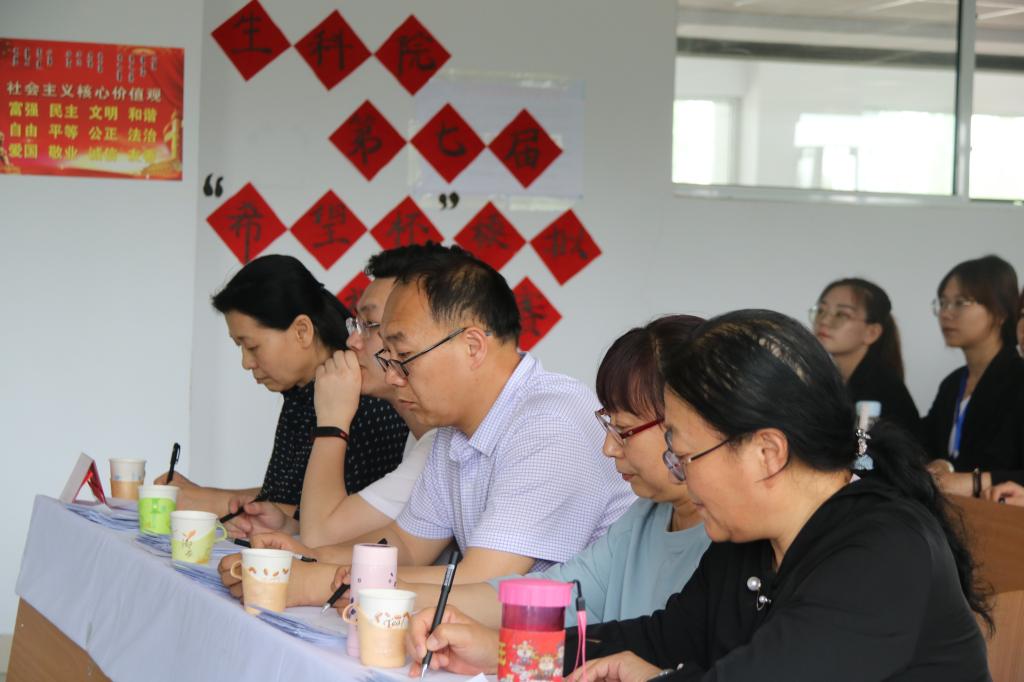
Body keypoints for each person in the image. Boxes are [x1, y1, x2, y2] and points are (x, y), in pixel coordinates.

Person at [407, 310, 991, 681]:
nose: (679, 476)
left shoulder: (883, 551)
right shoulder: (751, 541)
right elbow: (659, 637)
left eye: (684, 456)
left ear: (767, 452)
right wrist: (503, 649)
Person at [220, 245, 634, 602]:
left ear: (472, 346)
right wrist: (301, 556)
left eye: (403, 356)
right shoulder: (454, 432)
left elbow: (482, 582)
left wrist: (318, 582)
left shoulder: (549, 424)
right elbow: (406, 546)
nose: (394, 375)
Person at [358, 316, 711, 627]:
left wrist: (392, 591)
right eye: (609, 426)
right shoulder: (641, 519)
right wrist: (392, 592)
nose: (609, 448)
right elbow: (553, 596)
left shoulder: (726, 540)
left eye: (624, 430)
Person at [156, 255, 408, 519]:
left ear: (302, 331)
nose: (246, 363)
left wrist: (211, 501)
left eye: (252, 346)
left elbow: (342, 520)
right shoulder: (300, 394)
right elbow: (281, 495)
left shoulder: (366, 401)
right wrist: (201, 495)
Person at [224, 247, 441, 546]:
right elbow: (393, 549)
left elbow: (322, 536)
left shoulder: (427, 438)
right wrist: (290, 526)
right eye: (357, 324)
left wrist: (332, 422)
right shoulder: (425, 440)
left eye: (370, 325)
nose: (352, 341)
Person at [923, 255, 1024, 499]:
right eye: (943, 303)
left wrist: (972, 482)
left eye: (960, 303)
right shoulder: (953, 383)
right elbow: (924, 441)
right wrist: (942, 465)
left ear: (1000, 312)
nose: (946, 313)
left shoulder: (1018, 379)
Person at [811, 278, 919, 435]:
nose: (824, 321)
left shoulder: (881, 388)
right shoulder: (830, 381)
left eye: (841, 314)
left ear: (872, 333)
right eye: (821, 311)